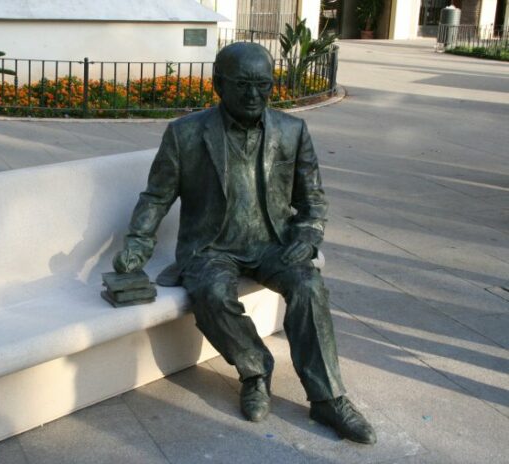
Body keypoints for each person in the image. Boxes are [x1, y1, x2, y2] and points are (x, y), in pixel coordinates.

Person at [112, 42, 376, 444]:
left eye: (263, 85)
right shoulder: (186, 133)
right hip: (212, 247)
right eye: (242, 85)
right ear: (218, 84)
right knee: (211, 293)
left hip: (274, 242)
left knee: (309, 286)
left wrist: (308, 235)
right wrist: (137, 244)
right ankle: (255, 370)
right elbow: (156, 197)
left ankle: (328, 398)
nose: (255, 95)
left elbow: (312, 200)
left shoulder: (292, 131)